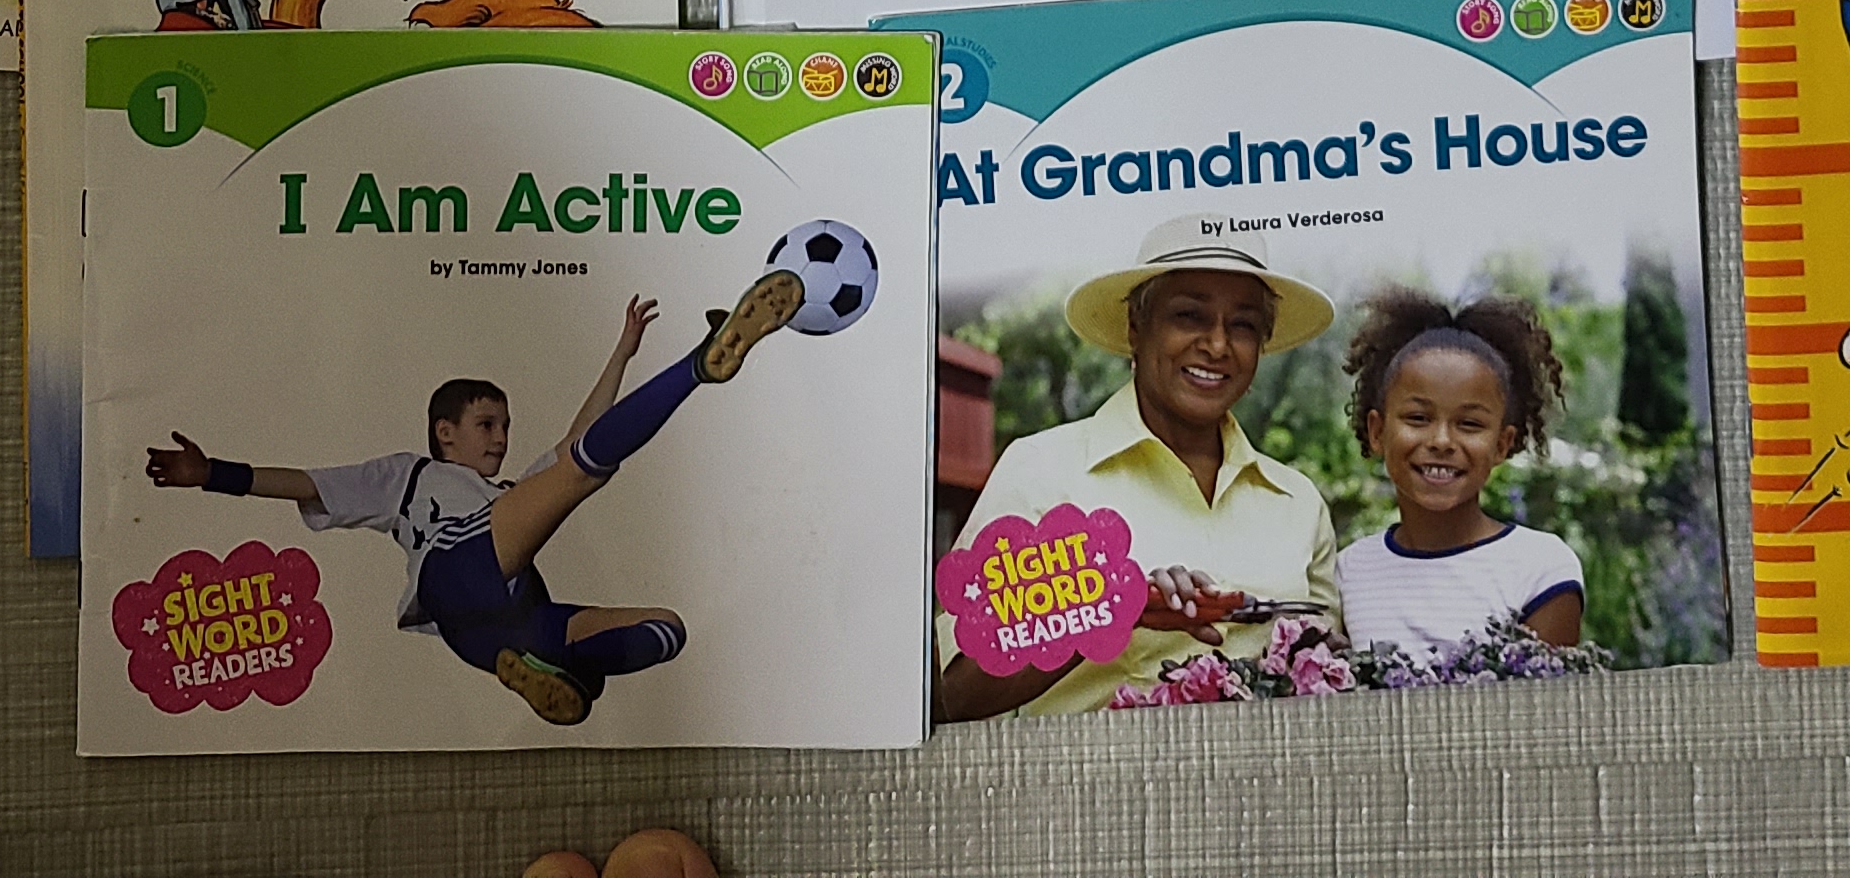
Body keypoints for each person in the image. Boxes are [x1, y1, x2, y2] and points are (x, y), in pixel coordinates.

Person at [149, 272, 802, 727]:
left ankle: (553, 672)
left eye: (506, 426)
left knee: (666, 630)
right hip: (454, 566)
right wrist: (212, 474)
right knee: (581, 471)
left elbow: (583, 436)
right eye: (487, 424)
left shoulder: (508, 496)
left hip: (487, 633)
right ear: (445, 433)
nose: (501, 437)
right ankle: (699, 366)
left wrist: (622, 352)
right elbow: (306, 483)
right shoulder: (409, 476)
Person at [931, 217, 1341, 720]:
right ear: (1136, 327)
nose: (1217, 345)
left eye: (1243, 325)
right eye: (1189, 316)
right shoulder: (1042, 471)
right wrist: (1113, 608)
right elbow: (952, 696)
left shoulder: (1298, 502)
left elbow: (1330, 674)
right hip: (1082, 773)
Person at [1330, 287, 1587, 659]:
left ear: (1502, 444)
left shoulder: (1540, 569)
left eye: (1469, 424)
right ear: (1377, 432)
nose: (1441, 441)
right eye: (1418, 418)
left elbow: (1546, 696)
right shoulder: (1349, 573)